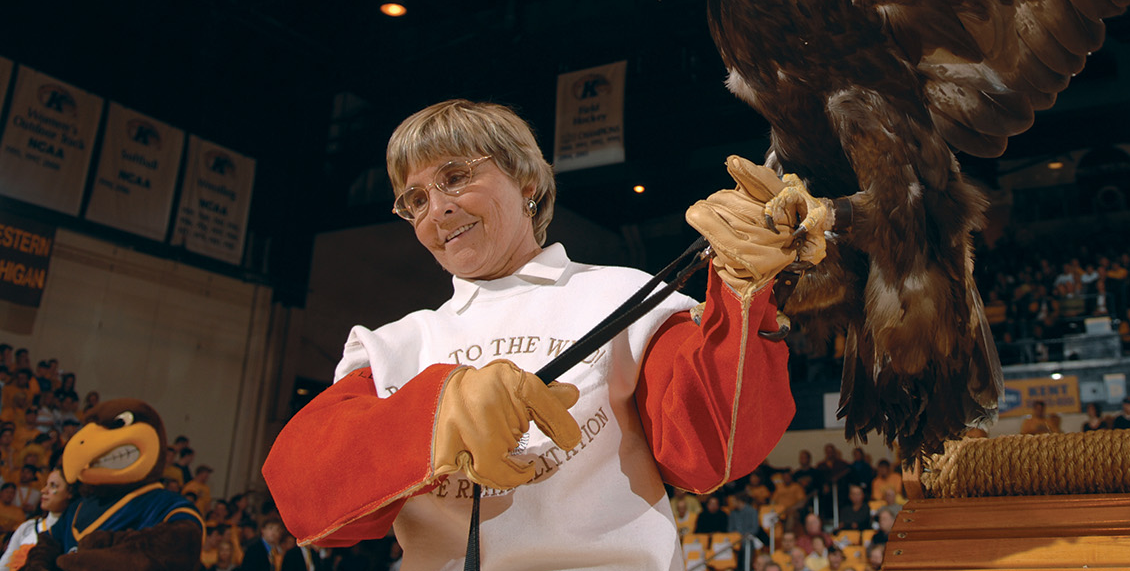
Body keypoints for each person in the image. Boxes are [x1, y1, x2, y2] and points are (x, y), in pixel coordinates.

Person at [264, 99, 807, 570]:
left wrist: (740, 293)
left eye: (455, 177)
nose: (438, 209)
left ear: (526, 179)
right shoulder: (394, 345)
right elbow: (304, 498)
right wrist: (432, 419)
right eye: (416, 200)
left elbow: (713, 449)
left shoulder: (626, 296)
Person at [0, 467, 69, 570]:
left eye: (53, 486)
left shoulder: (74, 530)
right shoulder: (28, 527)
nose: (44, 490)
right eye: (46, 485)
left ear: (70, 493)